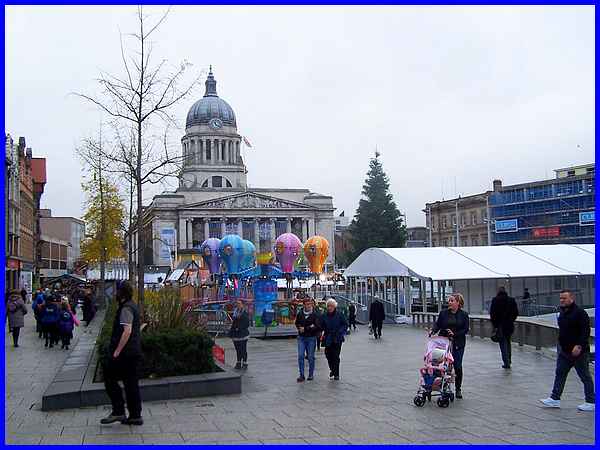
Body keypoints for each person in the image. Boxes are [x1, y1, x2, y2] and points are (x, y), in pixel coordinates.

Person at [539, 289, 594, 412]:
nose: (562, 300)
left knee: (584, 376)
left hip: (578, 352)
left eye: (564, 298)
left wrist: (579, 346)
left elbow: (585, 331)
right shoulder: (563, 312)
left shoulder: (580, 313)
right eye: (560, 298)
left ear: (571, 299)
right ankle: (555, 399)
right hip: (565, 351)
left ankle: (591, 401)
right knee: (560, 373)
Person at [101, 280, 143, 425]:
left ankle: (119, 411)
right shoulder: (132, 306)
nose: (114, 294)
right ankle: (135, 415)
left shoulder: (126, 308)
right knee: (131, 383)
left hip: (126, 353)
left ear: (121, 293)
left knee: (109, 377)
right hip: (132, 352)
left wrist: (117, 351)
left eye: (116, 291)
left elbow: (127, 331)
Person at [431, 293, 469, 399]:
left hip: (458, 343)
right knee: (441, 365)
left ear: (458, 302)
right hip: (443, 343)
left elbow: (465, 329)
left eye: (452, 301)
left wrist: (455, 334)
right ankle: (443, 386)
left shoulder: (464, 315)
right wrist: (433, 331)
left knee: (457, 365)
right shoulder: (443, 313)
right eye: (449, 300)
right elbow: (438, 324)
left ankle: (458, 388)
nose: (450, 302)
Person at [489, 287, 519, 369]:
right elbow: (516, 313)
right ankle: (509, 359)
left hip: (499, 326)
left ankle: (506, 362)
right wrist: (511, 320)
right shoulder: (511, 300)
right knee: (508, 342)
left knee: (502, 344)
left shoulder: (495, 300)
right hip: (509, 325)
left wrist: (495, 325)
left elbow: (492, 314)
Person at [320, 298, 347, 380]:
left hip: (337, 337)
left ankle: (336, 374)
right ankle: (332, 369)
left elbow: (345, 324)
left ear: (334, 307)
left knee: (335, 356)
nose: (329, 308)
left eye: (331, 306)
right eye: (328, 306)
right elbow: (321, 325)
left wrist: (341, 331)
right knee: (328, 355)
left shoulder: (339, 314)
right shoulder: (324, 315)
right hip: (328, 337)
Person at [295, 297, 320, 382]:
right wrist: (299, 328)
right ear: (304, 305)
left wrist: (305, 329)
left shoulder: (315, 314)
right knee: (301, 356)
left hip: (311, 338)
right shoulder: (300, 313)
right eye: (307, 304)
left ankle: (310, 374)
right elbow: (297, 323)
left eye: (310, 304)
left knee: (310, 357)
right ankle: (301, 375)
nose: (309, 306)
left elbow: (316, 326)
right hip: (301, 338)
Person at [229, 300, 250, 370]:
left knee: (243, 349)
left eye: (239, 303)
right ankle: (238, 362)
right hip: (235, 334)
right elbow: (233, 322)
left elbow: (247, 323)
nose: (237, 305)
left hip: (243, 334)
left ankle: (244, 363)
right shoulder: (235, 312)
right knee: (237, 349)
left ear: (242, 305)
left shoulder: (245, 313)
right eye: (237, 303)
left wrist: (239, 328)